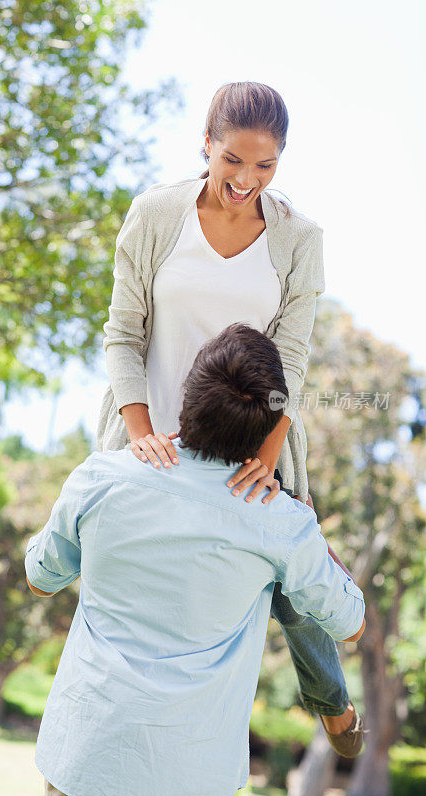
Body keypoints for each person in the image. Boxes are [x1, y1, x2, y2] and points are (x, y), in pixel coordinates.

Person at [96, 80, 362, 751]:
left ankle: (330, 700)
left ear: (280, 161)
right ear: (206, 146)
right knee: (113, 576)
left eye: (264, 166)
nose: (245, 179)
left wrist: (268, 455)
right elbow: (122, 335)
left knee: (293, 587)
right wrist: (139, 438)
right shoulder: (156, 215)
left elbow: (291, 360)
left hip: (252, 433)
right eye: (232, 161)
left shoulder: (299, 239)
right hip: (153, 427)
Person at [26, 323, 366, 796]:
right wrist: (311, 533)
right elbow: (351, 625)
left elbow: (40, 580)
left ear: (187, 397)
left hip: (84, 758)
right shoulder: (280, 522)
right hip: (194, 776)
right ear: (267, 432)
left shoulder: (101, 477)